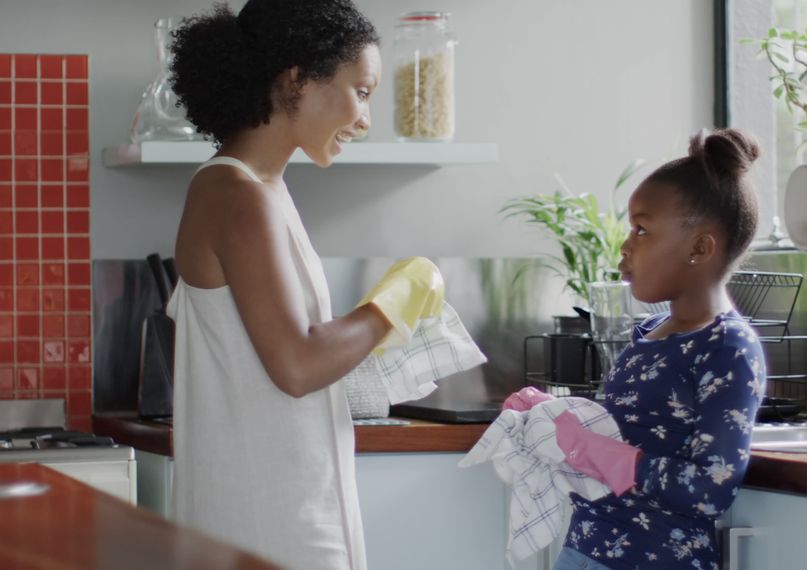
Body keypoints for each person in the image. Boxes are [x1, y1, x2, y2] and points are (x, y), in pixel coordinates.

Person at [166, 2, 442, 569]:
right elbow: (296, 363)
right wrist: (394, 301)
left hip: (281, 504)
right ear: (296, 79)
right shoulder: (237, 194)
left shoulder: (262, 190)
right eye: (360, 91)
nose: (365, 118)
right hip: (265, 518)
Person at [507, 128, 767, 570]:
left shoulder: (727, 347)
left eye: (642, 229)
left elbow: (711, 488)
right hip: (584, 551)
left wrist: (623, 462)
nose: (625, 247)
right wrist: (557, 415)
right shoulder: (649, 334)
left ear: (700, 247)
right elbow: (630, 428)